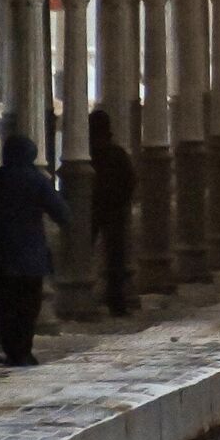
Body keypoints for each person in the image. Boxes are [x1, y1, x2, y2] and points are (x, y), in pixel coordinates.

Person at [0, 134, 69, 366]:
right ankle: (23, 350)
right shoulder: (37, 180)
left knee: (6, 306)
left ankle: (11, 350)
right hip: (31, 255)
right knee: (28, 306)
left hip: (1, 252)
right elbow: (62, 213)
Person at [89, 111, 137, 316]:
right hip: (115, 210)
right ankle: (116, 302)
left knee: (81, 251)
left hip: (93, 208)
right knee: (116, 256)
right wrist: (122, 201)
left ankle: (84, 294)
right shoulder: (117, 153)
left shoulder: (88, 153)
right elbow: (130, 180)